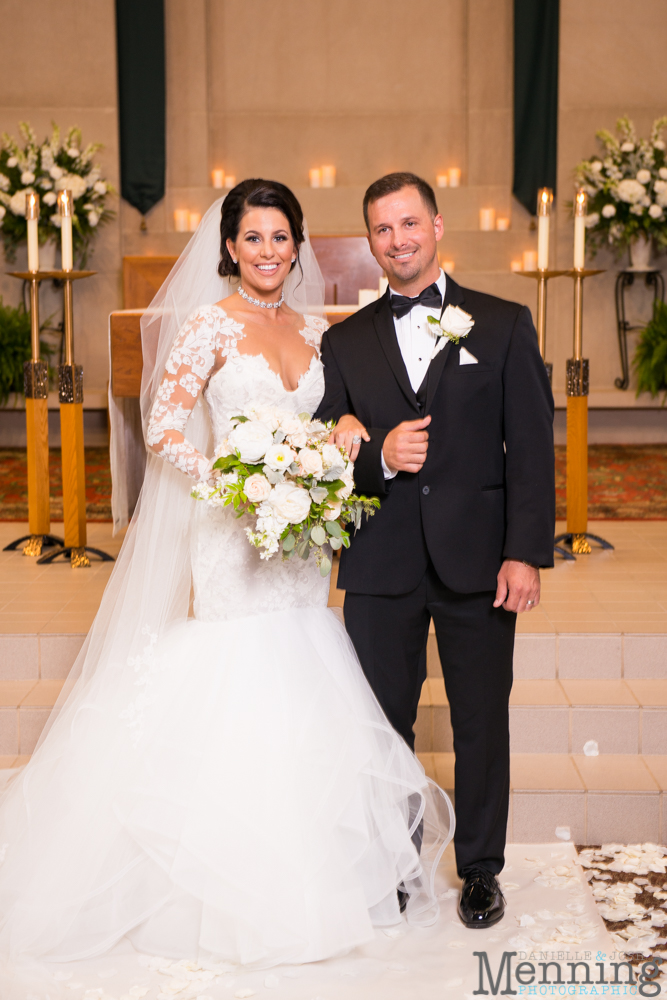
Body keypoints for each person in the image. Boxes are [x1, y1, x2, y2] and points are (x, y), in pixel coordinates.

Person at [0, 180, 453, 995]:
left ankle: (317, 885)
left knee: (304, 684)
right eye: (253, 239)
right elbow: (164, 422)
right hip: (232, 533)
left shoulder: (323, 332)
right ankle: (220, 894)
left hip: (301, 543)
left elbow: (339, 420)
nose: (269, 253)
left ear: (298, 244)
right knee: (234, 685)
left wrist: (335, 445)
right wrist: (233, 484)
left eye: (281, 238)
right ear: (231, 248)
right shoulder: (209, 326)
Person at [318, 172, 555, 930]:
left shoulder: (503, 323)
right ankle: (392, 865)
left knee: (480, 718)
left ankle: (481, 870)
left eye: (409, 223)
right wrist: (378, 455)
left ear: (437, 226)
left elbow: (531, 453)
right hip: (381, 560)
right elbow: (323, 451)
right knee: (381, 722)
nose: (398, 240)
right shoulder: (342, 341)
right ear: (370, 244)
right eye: (382, 230)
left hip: (478, 559)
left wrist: (524, 552)